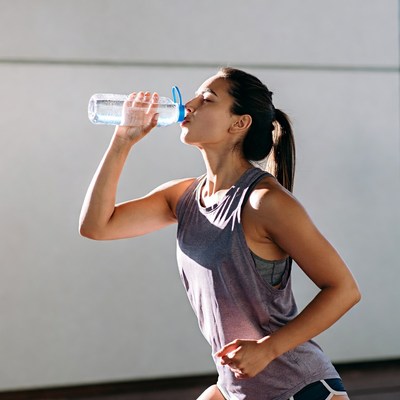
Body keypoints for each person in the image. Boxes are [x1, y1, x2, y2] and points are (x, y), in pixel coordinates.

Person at [79, 67, 361, 400]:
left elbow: (344, 290)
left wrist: (267, 349)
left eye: (208, 98)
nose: (191, 103)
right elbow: (96, 226)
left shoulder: (264, 202)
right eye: (196, 95)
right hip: (233, 389)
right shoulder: (181, 197)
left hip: (300, 388)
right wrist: (122, 140)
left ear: (239, 123)